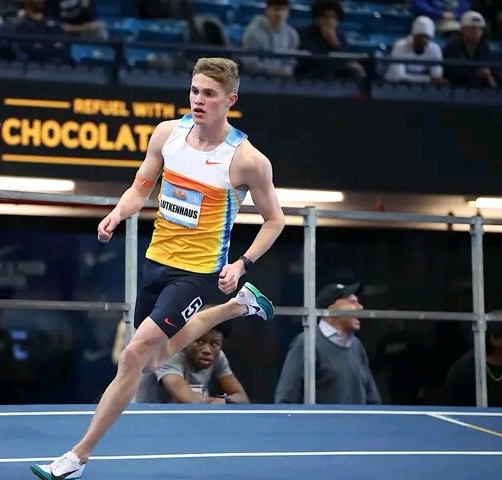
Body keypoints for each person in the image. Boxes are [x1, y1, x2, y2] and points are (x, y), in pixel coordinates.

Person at [31, 56, 286, 480]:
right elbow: (140, 187)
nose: (198, 100)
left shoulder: (247, 160)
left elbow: (274, 221)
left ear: (230, 100)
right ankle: (237, 307)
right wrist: (117, 213)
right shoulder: (168, 134)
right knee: (153, 361)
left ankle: (77, 457)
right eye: (194, 91)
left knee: (133, 355)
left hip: (199, 273)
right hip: (157, 262)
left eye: (209, 94)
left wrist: (243, 263)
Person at [274, 281, 381, 405]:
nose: (360, 307)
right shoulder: (308, 343)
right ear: (332, 309)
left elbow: (372, 399)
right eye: (352, 302)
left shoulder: (356, 346)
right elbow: (286, 398)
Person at [135, 324, 250, 404]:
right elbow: (189, 400)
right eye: (199, 341)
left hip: (195, 415)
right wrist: (218, 402)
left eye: (215, 344)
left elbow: (242, 398)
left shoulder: (218, 356)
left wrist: (225, 400)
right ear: (187, 339)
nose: (207, 350)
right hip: (155, 417)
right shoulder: (169, 353)